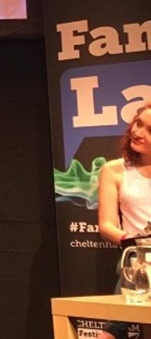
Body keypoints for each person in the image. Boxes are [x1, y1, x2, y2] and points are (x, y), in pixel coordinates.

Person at [97, 100, 151, 339]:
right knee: (139, 263)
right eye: (138, 123)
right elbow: (106, 225)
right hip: (136, 257)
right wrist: (130, 240)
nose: (138, 132)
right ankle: (113, 331)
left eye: (150, 130)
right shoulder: (114, 170)